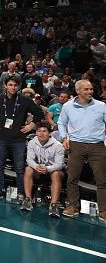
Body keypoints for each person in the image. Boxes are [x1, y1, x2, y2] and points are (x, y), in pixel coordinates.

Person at [0, 76, 44, 201]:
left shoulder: (24, 100)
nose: (13, 87)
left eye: (15, 85)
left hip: (18, 140)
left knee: (19, 167)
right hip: (1, 138)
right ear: (5, 86)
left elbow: (39, 113)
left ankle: (20, 193)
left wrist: (31, 125)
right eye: (11, 85)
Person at [58, 80, 106, 222]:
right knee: (72, 178)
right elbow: (61, 122)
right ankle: (72, 206)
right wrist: (64, 138)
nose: (90, 92)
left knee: (102, 180)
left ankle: (103, 211)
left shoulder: (101, 105)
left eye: (91, 89)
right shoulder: (67, 106)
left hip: (97, 146)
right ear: (78, 91)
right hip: (76, 145)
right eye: (86, 89)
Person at [20, 123, 64, 217]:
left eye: (44, 131)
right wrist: (36, 167)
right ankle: (28, 200)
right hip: (38, 170)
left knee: (56, 173)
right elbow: (29, 159)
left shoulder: (58, 145)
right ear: (36, 133)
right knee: (28, 169)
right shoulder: (32, 142)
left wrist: (47, 168)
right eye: (39, 131)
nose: (41, 134)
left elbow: (59, 165)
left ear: (49, 133)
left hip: (52, 171)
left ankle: (53, 206)